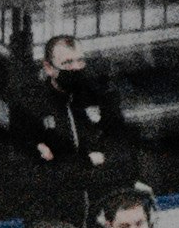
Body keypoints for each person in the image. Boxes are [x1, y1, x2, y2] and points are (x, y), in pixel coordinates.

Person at [19, 35, 129, 206]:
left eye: (80, 61)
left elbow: (120, 147)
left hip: (102, 201)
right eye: (67, 63)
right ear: (48, 67)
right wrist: (87, 161)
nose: (76, 68)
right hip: (56, 206)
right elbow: (39, 169)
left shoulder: (100, 95)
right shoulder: (33, 105)